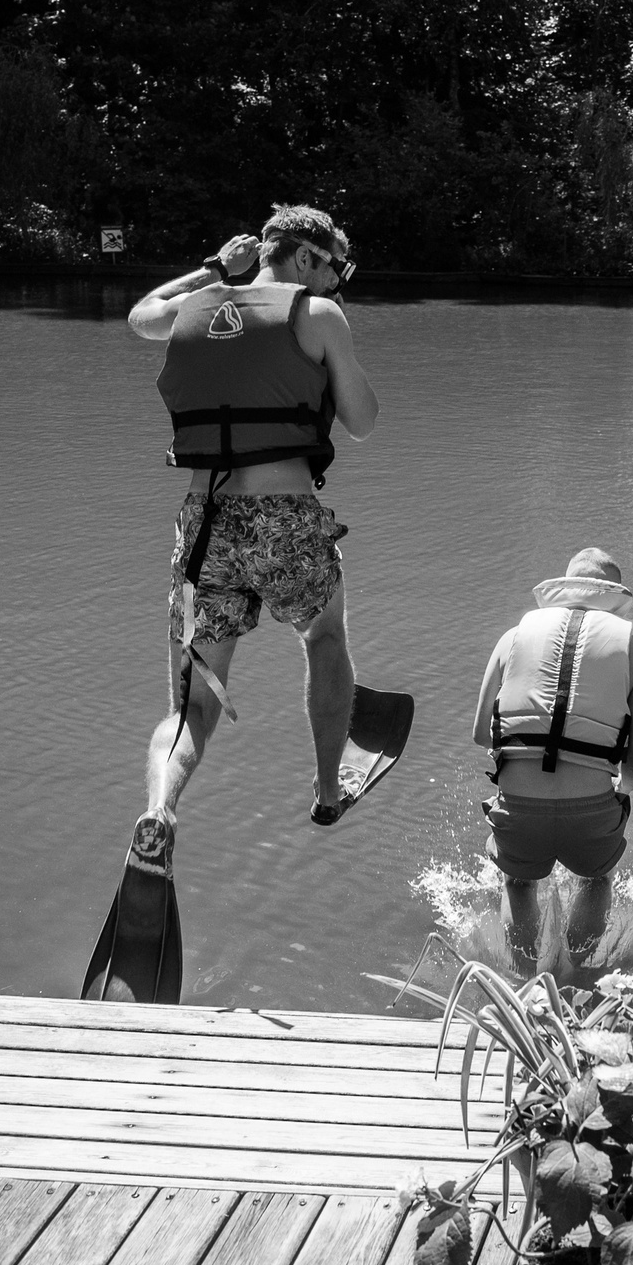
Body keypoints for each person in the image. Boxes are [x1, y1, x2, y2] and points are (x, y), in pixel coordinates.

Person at [124, 205, 382, 874]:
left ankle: (160, 809)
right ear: (304, 258)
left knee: (191, 707)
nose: (335, 285)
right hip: (284, 516)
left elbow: (141, 313)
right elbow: (362, 420)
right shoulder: (317, 315)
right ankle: (328, 793)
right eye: (333, 268)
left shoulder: (190, 312)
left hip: (204, 524)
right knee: (324, 637)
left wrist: (213, 268)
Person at [469, 549, 633, 971]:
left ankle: (524, 984)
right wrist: (619, 793)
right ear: (614, 598)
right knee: (596, 879)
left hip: (519, 806)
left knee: (518, 883)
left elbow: (482, 733)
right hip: (591, 809)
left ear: (563, 591)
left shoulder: (512, 637)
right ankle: (578, 978)